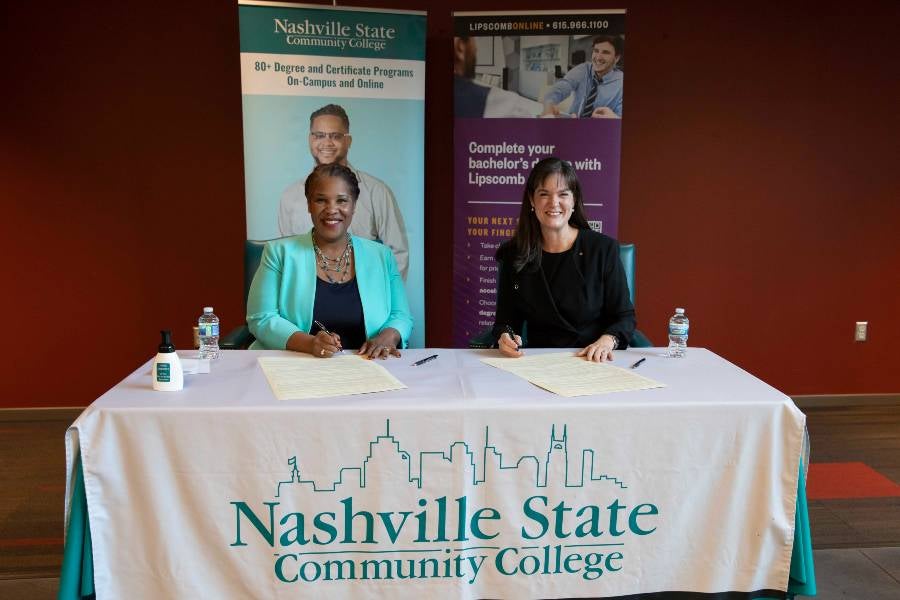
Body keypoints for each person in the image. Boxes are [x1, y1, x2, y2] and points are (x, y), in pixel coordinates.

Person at [249, 163, 413, 359]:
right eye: (321, 200)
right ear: (309, 204)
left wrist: (389, 336)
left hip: (367, 366)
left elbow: (401, 316)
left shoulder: (381, 255)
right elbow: (261, 318)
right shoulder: (278, 253)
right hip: (293, 365)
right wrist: (310, 343)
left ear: (354, 205)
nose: (332, 209)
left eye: (342, 201)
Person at [492, 157, 635, 362]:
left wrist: (607, 340)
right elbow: (505, 320)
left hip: (592, 360)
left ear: (574, 200)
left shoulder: (602, 249)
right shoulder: (514, 253)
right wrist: (504, 336)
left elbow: (624, 317)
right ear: (532, 201)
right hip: (539, 362)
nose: (554, 203)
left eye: (563, 194)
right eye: (544, 194)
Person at [278, 104, 410, 280]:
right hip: (307, 303)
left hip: (364, 300)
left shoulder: (377, 192)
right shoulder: (291, 196)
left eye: (335, 136)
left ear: (348, 141)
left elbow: (397, 255)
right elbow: (284, 258)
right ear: (310, 140)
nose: (326, 143)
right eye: (319, 136)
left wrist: (381, 301)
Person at [453, 36, 543, 118]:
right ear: (460, 46)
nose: (476, 49)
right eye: (473, 41)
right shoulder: (505, 104)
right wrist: (548, 114)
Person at [542, 36, 624, 119]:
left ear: (616, 58)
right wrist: (550, 103)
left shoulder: (622, 83)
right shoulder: (583, 69)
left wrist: (615, 119)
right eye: (596, 51)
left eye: (605, 52)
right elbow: (564, 84)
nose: (598, 57)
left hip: (602, 129)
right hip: (573, 124)